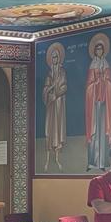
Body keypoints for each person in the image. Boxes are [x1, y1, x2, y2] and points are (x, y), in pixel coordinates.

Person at [84, 35, 111, 170]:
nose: (99, 51)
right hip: (94, 104)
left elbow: (110, 84)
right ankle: (92, 162)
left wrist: (105, 81)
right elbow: (88, 86)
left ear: (103, 50)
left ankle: (102, 163)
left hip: (104, 103)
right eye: (97, 49)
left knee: (103, 133)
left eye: (101, 49)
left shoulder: (106, 65)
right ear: (95, 51)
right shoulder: (92, 66)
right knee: (94, 132)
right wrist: (95, 83)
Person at [43, 41, 67, 171]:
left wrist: (56, 94)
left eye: (56, 57)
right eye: (53, 57)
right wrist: (49, 91)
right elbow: (45, 89)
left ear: (59, 58)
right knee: (49, 129)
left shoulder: (62, 72)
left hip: (58, 105)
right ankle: (48, 159)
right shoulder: (49, 74)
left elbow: (64, 87)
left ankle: (57, 158)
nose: (54, 59)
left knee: (58, 129)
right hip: (51, 106)